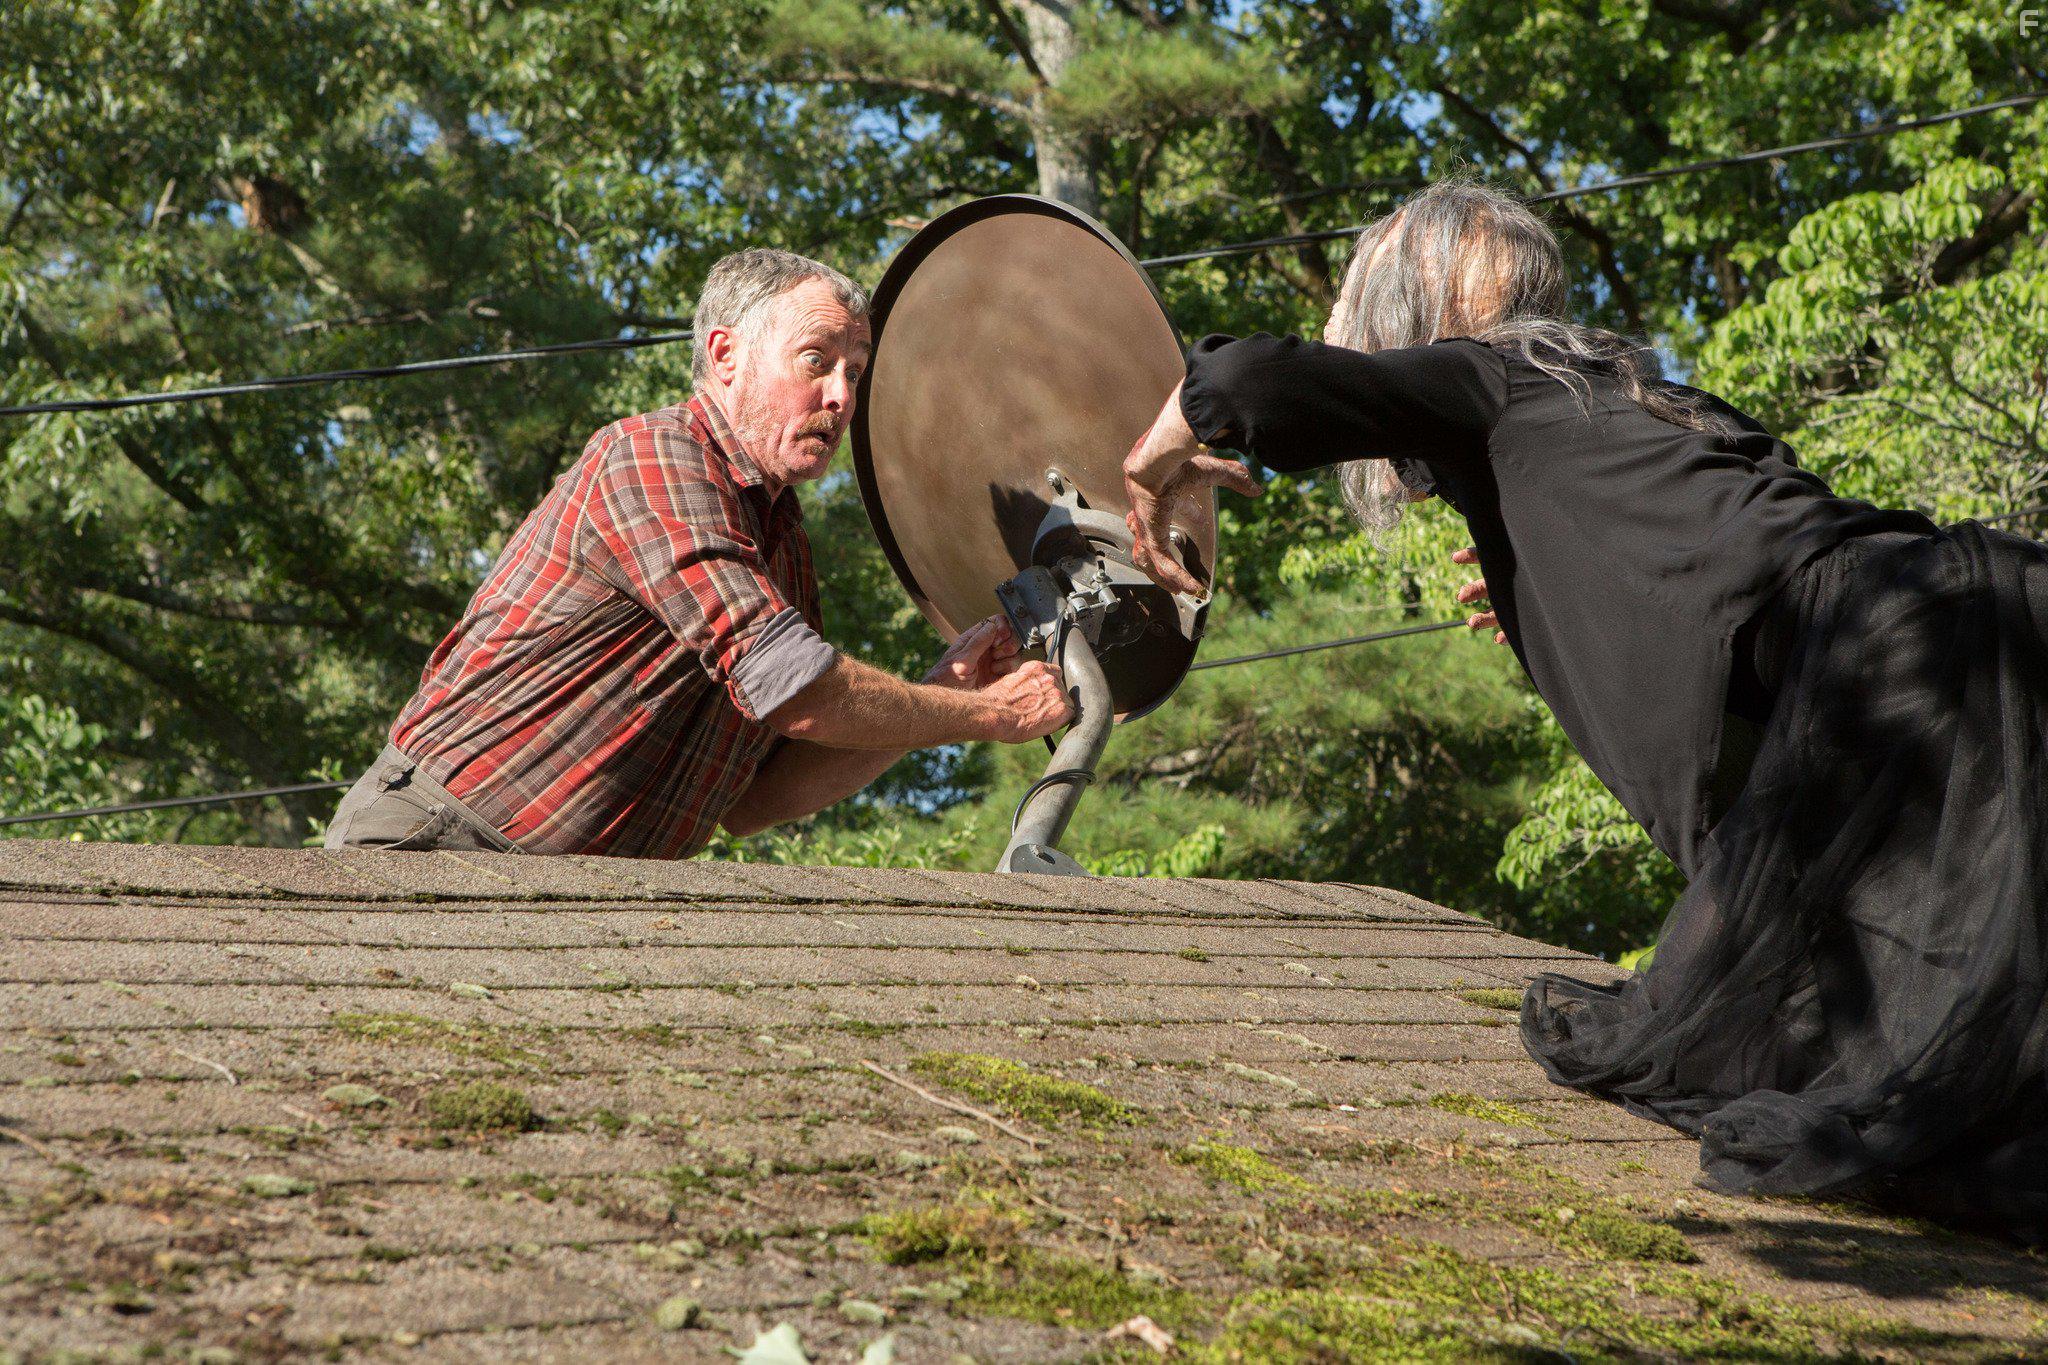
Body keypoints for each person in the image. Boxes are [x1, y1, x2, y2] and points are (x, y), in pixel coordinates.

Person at [1118, 180, 2048, 1240]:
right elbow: (1721, 563)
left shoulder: (1489, 375)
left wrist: (1150, 464)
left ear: (1415, 318)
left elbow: (1248, 379)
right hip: (1964, 621)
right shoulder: (1630, 394)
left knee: (1780, 1055)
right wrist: (1539, 574)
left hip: (1879, 656)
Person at [327, 249, 1070, 858]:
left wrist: (951, 693)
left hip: (581, 909)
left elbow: (756, 799)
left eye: (855, 371)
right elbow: (800, 692)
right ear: (726, 356)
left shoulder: (780, 539)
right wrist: (985, 714)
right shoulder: (653, 459)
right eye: (816, 361)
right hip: (437, 849)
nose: (842, 396)